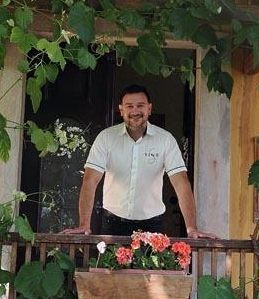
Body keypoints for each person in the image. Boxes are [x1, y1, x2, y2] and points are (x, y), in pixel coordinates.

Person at [63, 84, 217, 238]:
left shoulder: (165, 140)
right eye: (129, 106)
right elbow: (90, 180)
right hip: (113, 224)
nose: (135, 111)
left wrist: (191, 228)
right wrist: (84, 225)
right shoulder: (106, 138)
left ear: (149, 108)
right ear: (121, 110)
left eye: (140, 106)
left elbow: (181, 183)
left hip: (152, 225)